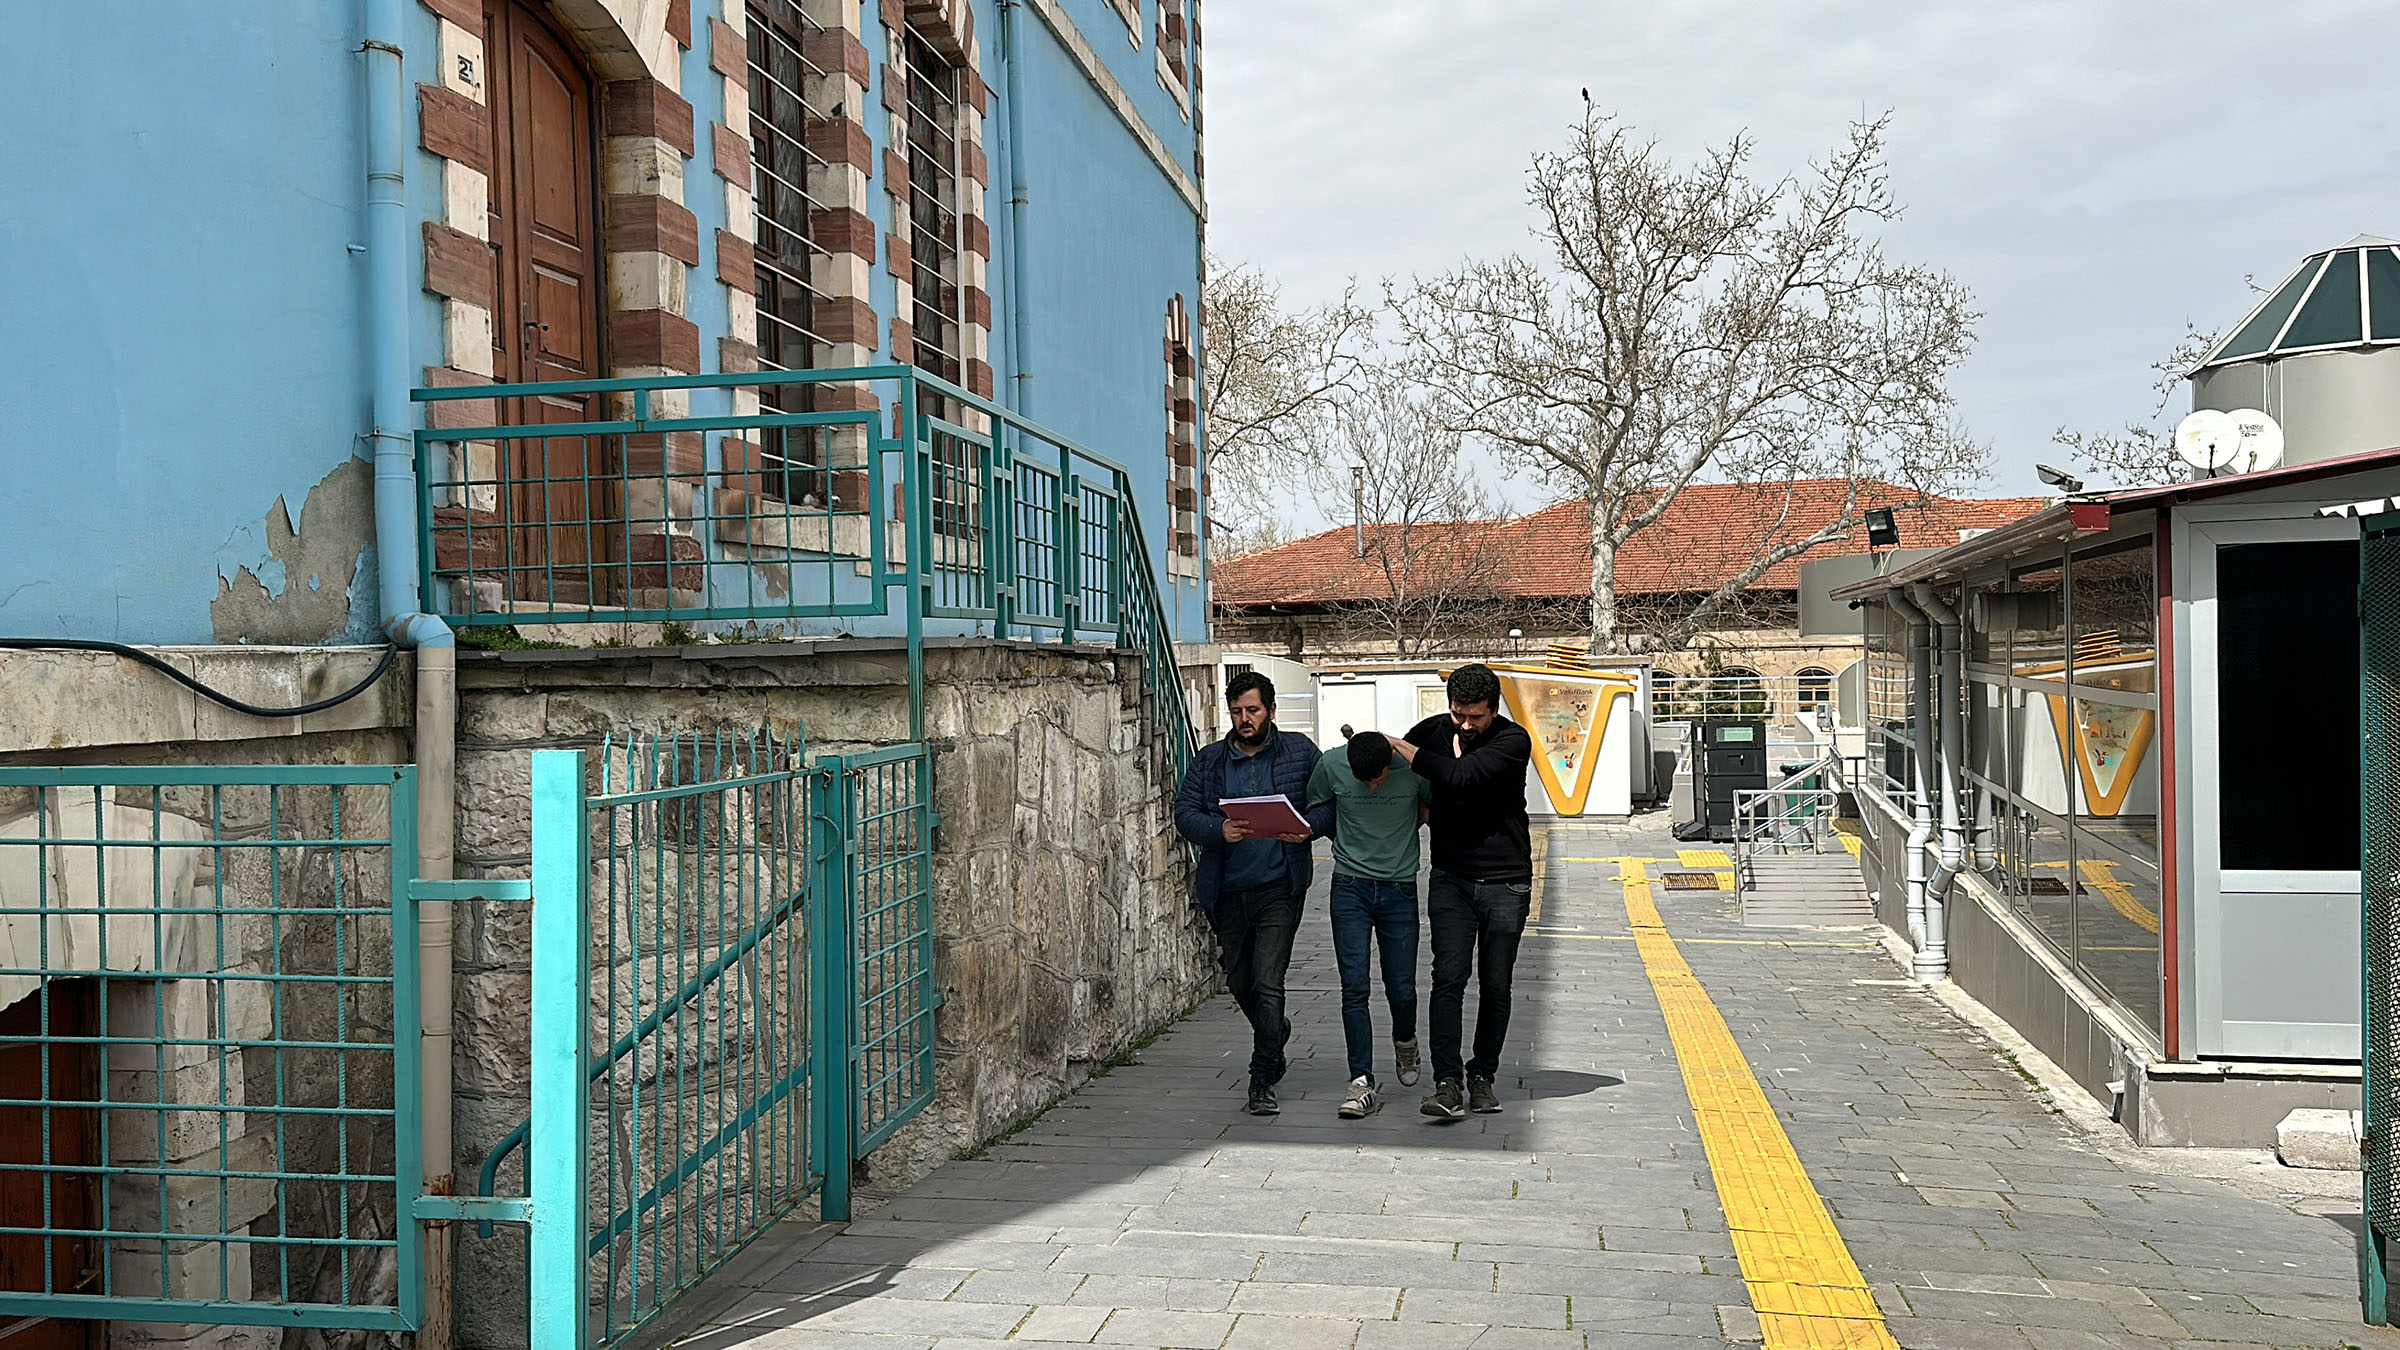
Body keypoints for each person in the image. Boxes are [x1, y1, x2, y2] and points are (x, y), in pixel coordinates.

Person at [1173, 671, 1329, 1116]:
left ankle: (1262, 1076)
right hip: (1227, 889)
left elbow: (1326, 804)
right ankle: (1273, 1030)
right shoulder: (1209, 761)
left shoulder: (1300, 752)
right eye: (1237, 712)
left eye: (1253, 710)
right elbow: (1184, 813)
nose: (1245, 719)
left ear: (1271, 710)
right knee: (1240, 980)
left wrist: (1308, 829)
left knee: (1267, 979)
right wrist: (1217, 829)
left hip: (1280, 886)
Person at [1387, 663, 1534, 1120]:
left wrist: (1409, 752)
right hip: (1451, 879)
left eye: (1476, 717)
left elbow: (1461, 776)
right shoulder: (1434, 731)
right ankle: (1446, 1080)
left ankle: (1482, 1075)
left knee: (1496, 984)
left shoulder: (1514, 741)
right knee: (1448, 980)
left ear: (1495, 710)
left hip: (1506, 881)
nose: (1466, 725)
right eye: (1458, 715)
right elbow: (1395, 769)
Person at [1305, 729, 1429, 1119]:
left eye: (1378, 778)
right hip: (1349, 888)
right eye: (1364, 781)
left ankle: (1405, 1040)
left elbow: (1430, 807)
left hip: (1399, 889)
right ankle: (1360, 1081)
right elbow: (1318, 806)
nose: (1373, 786)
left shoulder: (1412, 768)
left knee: (1402, 989)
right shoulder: (1331, 764)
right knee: (1354, 987)